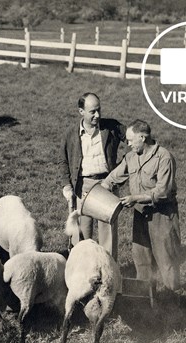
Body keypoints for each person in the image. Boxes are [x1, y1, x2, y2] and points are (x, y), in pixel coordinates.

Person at [101, 119, 181, 291]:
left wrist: (134, 198)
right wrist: (99, 190)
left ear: (143, 138)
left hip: (162, 215)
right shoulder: (130, 157)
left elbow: (163, 192)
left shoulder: (164, 157)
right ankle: (146, 297)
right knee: (141, 258)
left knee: (167, 258)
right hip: (140, 215)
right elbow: (113, 178)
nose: (128, 144)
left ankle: (174, 299)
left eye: (130, 140)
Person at [58, 92, 126, 259]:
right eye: (92, 112)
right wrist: (67, 185)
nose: (98, 115)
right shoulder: (71, 134)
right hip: (83, 186)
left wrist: (123, 167)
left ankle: (109, 274)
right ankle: (83, 274)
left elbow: (134, 138)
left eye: (99, 110)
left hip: (107, 185)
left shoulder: (111, 127)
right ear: (81, 111)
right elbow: (62, 161)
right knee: (81, 236)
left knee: (108, 234)